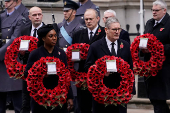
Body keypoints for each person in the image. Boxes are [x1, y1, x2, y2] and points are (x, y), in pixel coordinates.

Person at [84, 17, 136, 113]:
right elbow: (88, 67)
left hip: (120, 92)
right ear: (106, 30)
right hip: (101, 93)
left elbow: (130, 67)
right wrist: (101, 72)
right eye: (114, 29)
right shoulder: (95, 46)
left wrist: (132, 89)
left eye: (119, 29)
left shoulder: (125, 45)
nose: (117, 32)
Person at [24, 24, 73, 113]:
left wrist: (70, 96)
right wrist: (42, 74)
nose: (54, 38)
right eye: (50, 36)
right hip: (41, 97)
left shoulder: (61, 53)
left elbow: (67, 76)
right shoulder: (35, 53)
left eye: (55, 36)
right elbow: (27, 74)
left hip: (58, 96)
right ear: (43, 38)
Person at [72, 8, 106, 113]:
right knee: (83, 107)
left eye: (91, 19)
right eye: (86, 19)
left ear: (98, 19)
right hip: (83, 76)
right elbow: (73, 53)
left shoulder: (104, 33)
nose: (88, 21)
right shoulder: (78, 34)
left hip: (100, 76)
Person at [142, 0, 170, 113]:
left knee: (159, 100)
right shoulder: (149, 23)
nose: (154, 12)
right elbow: (145, 38)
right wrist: (142, 48)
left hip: (164, 68)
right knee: (155, 100)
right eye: (152, 10)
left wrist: (157, 48)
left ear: (164, 10)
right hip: (150, 67)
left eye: (156, 10)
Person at [0, 0, 24, 113]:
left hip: (11, 59)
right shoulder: (1, 16)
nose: (6, 3)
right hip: (1, 62)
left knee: (16, 96)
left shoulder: (20, 19)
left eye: (9, 1)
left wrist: (0, 52)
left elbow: (14, 39)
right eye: (5, 1)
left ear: (14, 3)